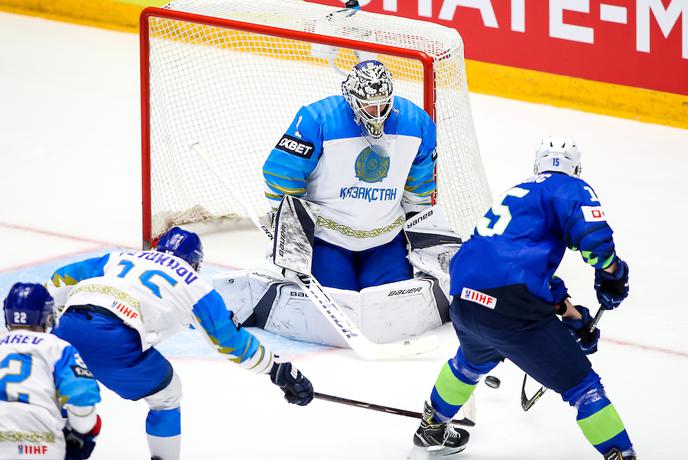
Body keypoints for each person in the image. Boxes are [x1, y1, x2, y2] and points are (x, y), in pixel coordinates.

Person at [411, 137, 636, 459]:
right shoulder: (571, 188)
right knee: (583, 388)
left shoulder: (518, 194)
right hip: (510, 306)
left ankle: (432, 425)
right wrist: (614, 274)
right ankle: (621, 454)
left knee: (470, 363)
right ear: (575, 168)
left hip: (465, 295)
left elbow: (515, 265)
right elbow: (594, 240)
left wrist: (569, 314)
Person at [213, 59, 461, 347]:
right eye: (369, 106)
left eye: (383, 105)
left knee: (392, 313)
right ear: (351, 100)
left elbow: (418, 187)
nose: (377, 113)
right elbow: (281, 172)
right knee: (336, 311)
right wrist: (292, 234)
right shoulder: (319, 119)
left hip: (386, 239)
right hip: (329, 240)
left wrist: (421, 238)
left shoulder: (416, 123)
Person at [47, 227, 314, 460]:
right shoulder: (195, 285)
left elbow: (60, 278)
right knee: (167, 395)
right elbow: (230, 344)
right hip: (115, 340)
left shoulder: (119, 257)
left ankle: (51, 442)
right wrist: (275, 367)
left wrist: (58, 319)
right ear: (195, 264)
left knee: (57, 390)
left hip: (67, 326)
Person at [1, 283, 101, 460]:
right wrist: (79, 436)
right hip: (41, 444)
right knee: (90, 425)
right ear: (46, 315)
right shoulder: (58, 348)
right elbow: (82, 399)